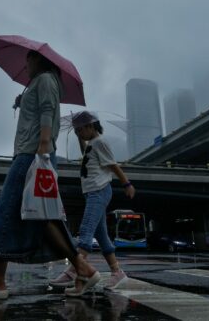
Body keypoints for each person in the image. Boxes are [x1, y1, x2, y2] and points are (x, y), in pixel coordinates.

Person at [0, 51, 99, 300]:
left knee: (6, 210)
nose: (26, 63)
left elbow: (47, 109)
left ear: (40, 60)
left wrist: (44, 143)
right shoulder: (40, 83)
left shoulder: (45, 79)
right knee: (45, 218)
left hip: (32, 153)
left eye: (29, 59)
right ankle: (83, 269)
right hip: (36, 152)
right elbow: (40, 108)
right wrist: (23, 101)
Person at [49, 111, 135, 290]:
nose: (78, 133)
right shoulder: (92, 145)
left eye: (80, 130)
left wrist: (127, 183)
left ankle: (75, 272)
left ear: (90, 126)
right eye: (76, 131)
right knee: (101, 236)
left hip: (99, 191)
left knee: (86, 230)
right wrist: (80, 138)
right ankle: (117, 272)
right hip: (93, 193)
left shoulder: (100, 142)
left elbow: (112, 165)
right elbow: (85, 151)